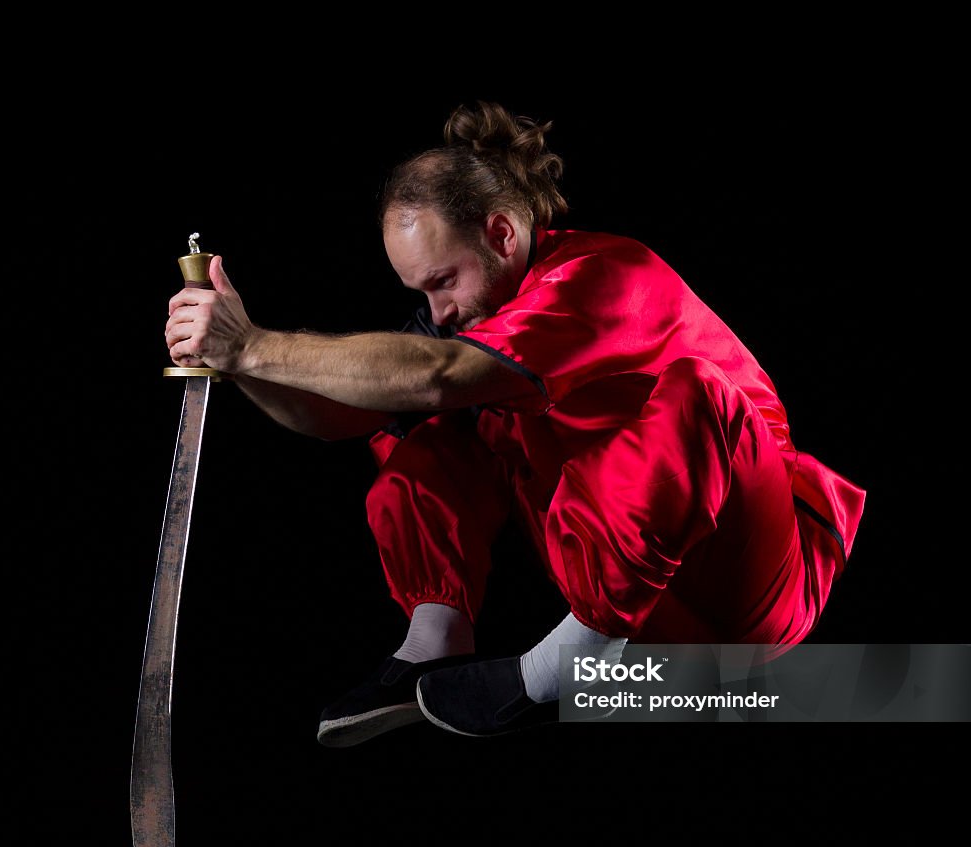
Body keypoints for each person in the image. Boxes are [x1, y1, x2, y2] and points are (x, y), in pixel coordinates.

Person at [164, 100, 866, 746]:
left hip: (747, 593)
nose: (437, 312)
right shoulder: (473, 319)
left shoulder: (606, 277)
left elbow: (439, 374)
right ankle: (432, 643)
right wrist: (236, 359)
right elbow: (333, 417)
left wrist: (254, 344)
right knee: (426, 425)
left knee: (698, 395)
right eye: (421, 293)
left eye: (443, 281)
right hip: (629, 580)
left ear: (501, 232)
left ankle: (547, 673)